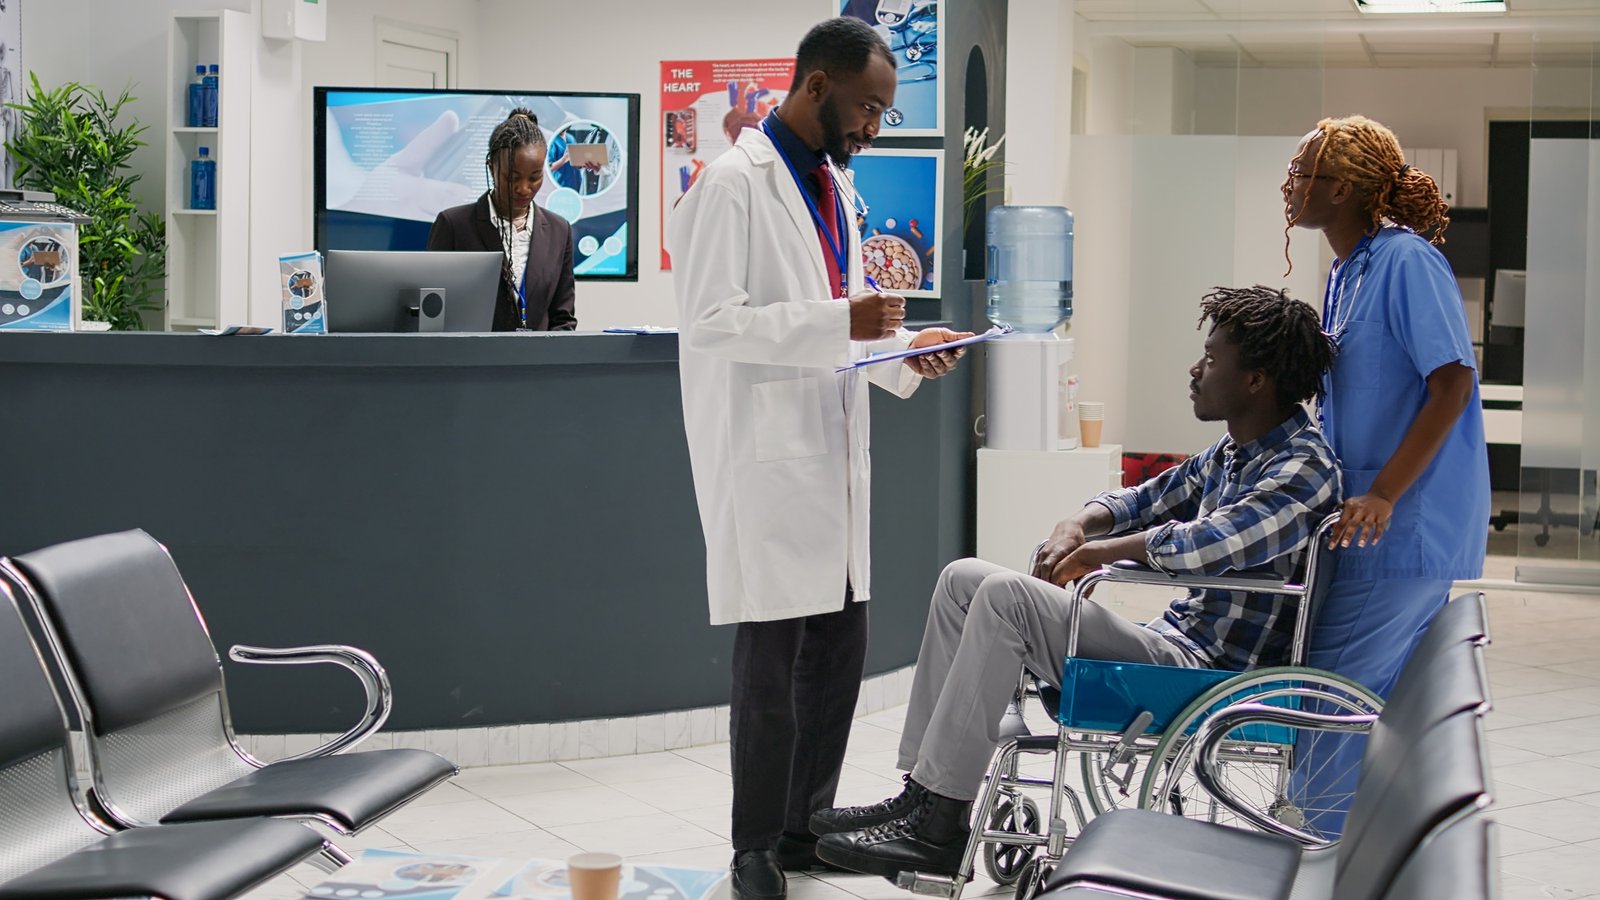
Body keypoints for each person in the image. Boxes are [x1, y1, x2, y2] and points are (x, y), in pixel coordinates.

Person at [812, 286, 1343, 879]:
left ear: (1256, 380)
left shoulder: (1303, 467)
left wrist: (1096, 555)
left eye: (1212, 359)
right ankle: (922, 794)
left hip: (1211, 673)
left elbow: (1209, 545)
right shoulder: (1233, 452)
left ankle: (938, 826)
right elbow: (1142, 499)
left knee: (1007, 598)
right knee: (963, 578)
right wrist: (1075, 525)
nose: (1196, 370)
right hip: (1174, 641)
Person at [664, 17, 973, 900]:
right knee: (770, 664)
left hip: (830, 452)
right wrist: (847, 323)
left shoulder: (835, 186)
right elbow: (714, 325)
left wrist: (908, 348)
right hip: (767, 458)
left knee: (838, 648)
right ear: (814, 88)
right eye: (868, 106)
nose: (875, 125)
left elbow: (839, 325)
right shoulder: (732, 184)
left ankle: (807, 830)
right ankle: (754, 846)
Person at [1281, 115, 1488, 832]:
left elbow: (1453, 381)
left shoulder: (1405, 261)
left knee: (1329, 698)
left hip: (1399, 525)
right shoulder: (1350, 269)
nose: (1290, 184)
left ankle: (1317, 850)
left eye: (1302, 171)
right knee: (1339, 691)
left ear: (1338, 189)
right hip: (1362, 523)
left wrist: (1384, 493)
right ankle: (1339, 841)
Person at [428, 108, 576, 331]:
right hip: (471, 360)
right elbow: (433, 310)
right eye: (512, 178)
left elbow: (562, 318)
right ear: (491, 167)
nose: (524, 188)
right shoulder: (453, 225)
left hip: (538, 362)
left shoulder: (559, 230)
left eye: (535, 177)